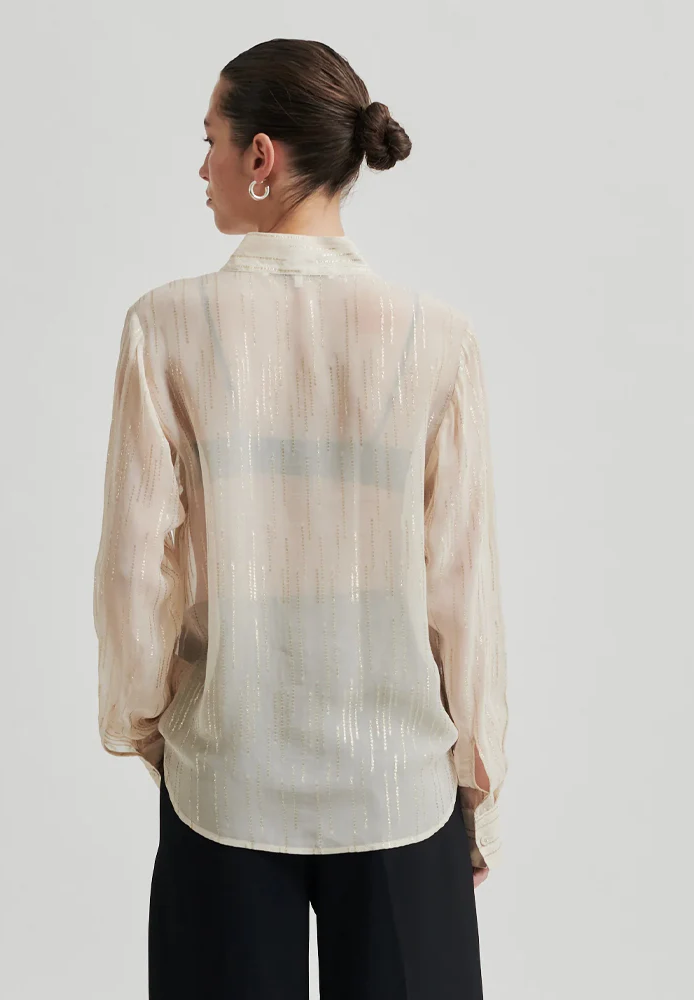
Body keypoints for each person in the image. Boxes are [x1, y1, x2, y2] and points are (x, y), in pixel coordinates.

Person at [92, 37, 509, 1000]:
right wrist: (476, 787)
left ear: (261, 156)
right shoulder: (438, 338)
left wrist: (150, 723)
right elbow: (463, 586)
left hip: (226, 777)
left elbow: (134, 568)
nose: (201, 167)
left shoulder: (165, 327)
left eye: (210, 140)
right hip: (402, 787)